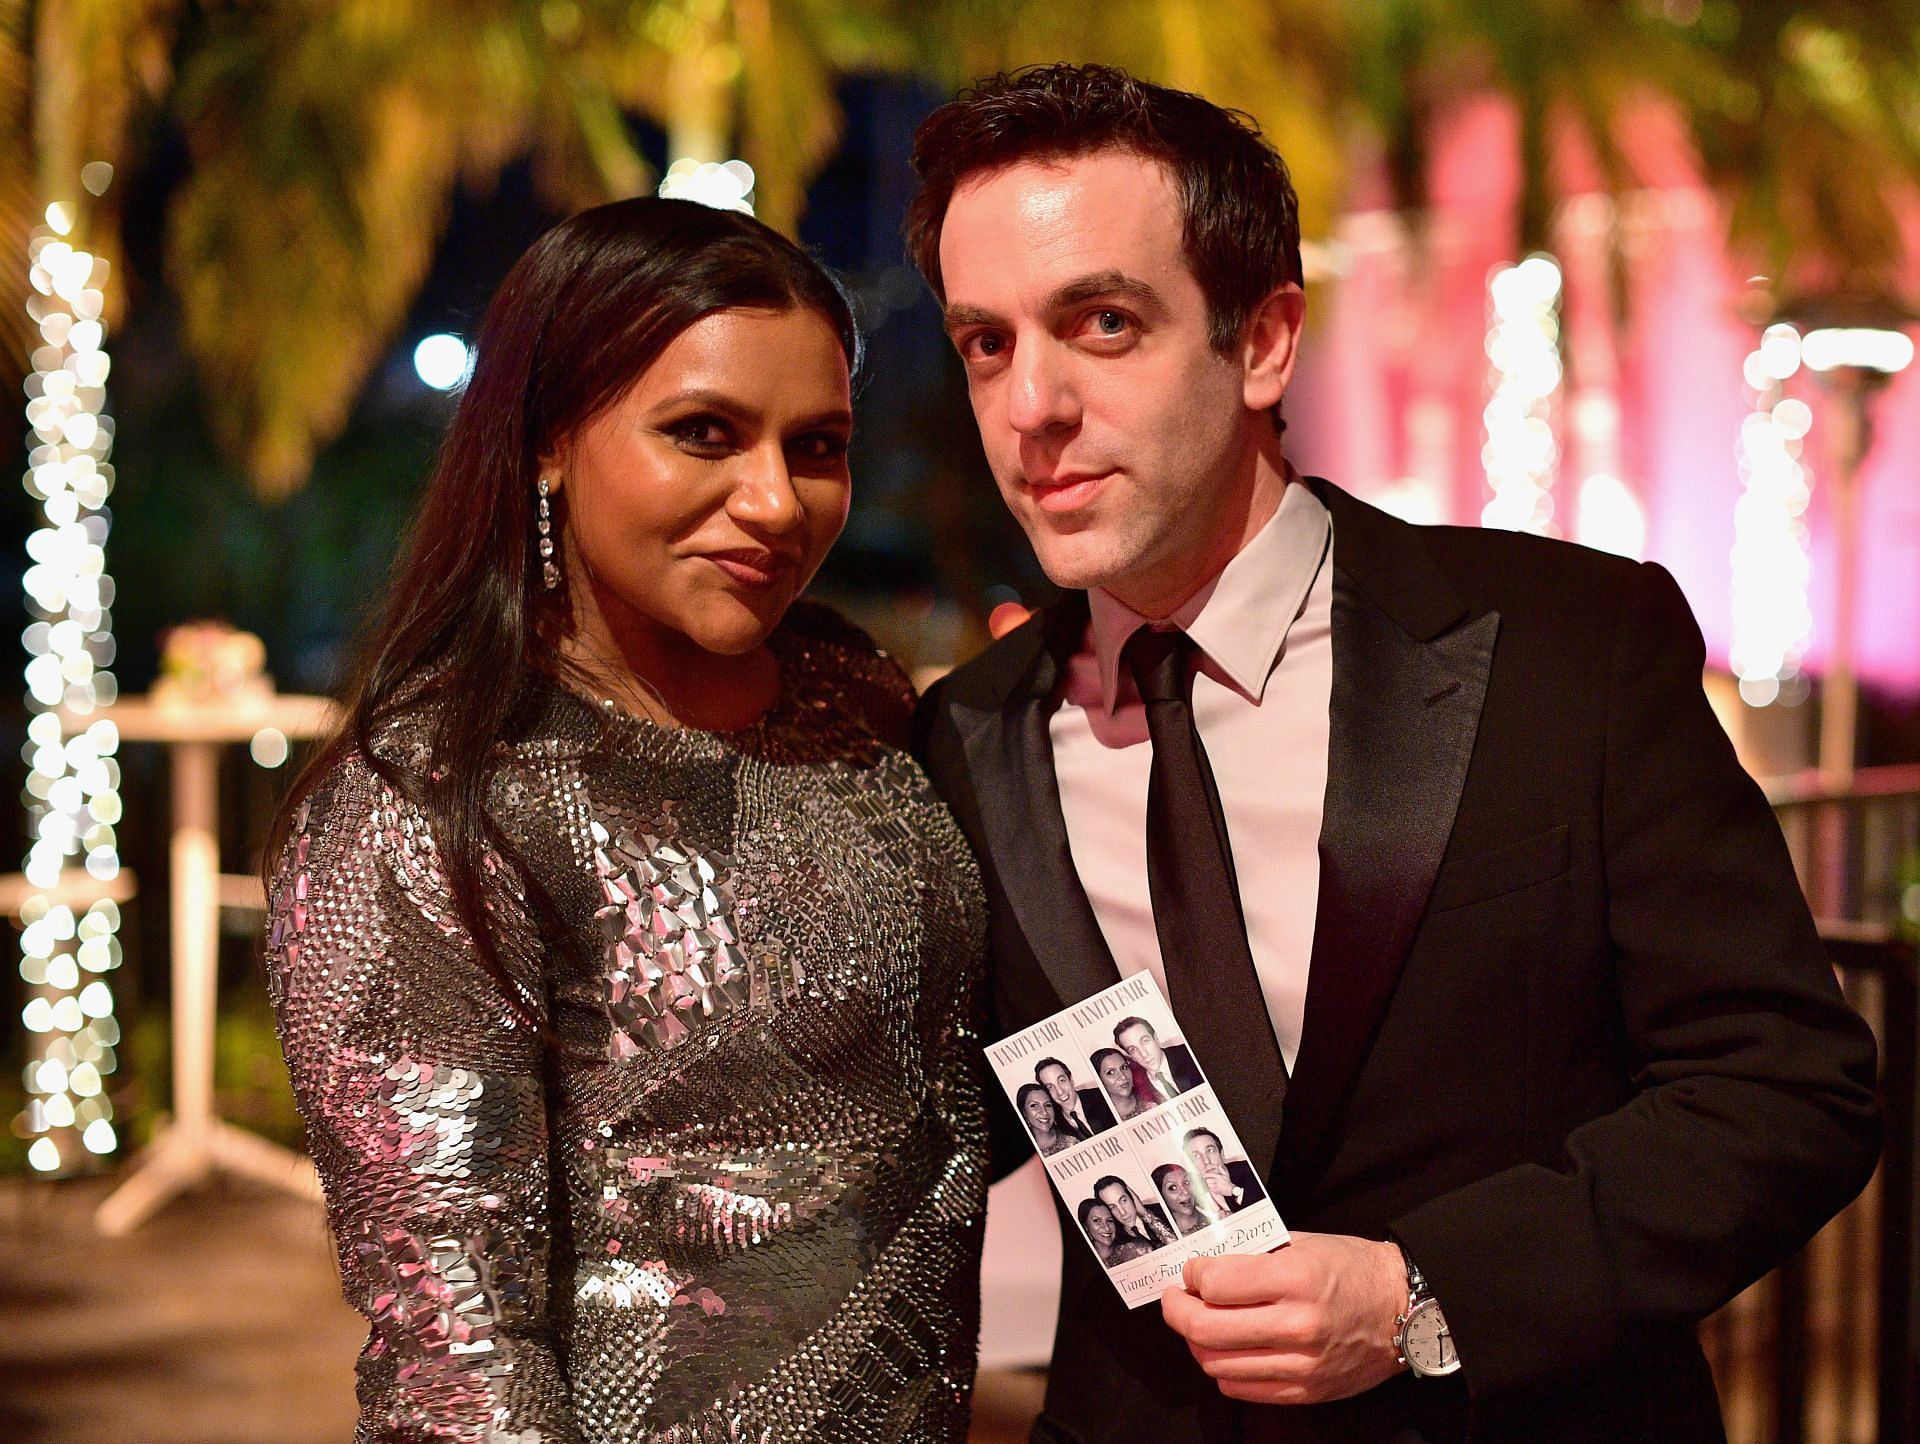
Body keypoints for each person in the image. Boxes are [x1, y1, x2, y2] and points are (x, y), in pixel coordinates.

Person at [907, 63, 1880, 1442]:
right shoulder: (964, 738)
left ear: (1262, 342)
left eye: (1102, 323)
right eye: (985, 345)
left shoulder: (1569, 646)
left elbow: (1788, 1090)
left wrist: (1425, 1296)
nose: (1029, 408)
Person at [264, 197, 990, 1442]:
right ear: (549, 438)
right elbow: (458, 1345)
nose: (773, 501)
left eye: (817, 446)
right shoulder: (434, 797)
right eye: (703, 433)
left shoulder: (850, 698)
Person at [1184, 1126, 1266, 1217]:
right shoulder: (1191, 1194)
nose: (1206, 1161)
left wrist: (1233, 1190)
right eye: (1196, 1156)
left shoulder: (1249, 1169)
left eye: (1210, 1150)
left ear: (1222, 1154)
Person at [1115, 1015, 1201, 1098]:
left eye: (1145, 1041)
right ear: (1131, 1056)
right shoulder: (1136, 1088)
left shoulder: (1189, 1053)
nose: (1144, 1054)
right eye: (1133, 1049)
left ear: (1155, 1038)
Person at [1036, 1054, 1117, 1138]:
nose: (1060, 1092)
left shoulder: (1102, 1096)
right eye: (1050, 1087)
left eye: (1061, 1080)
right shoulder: (1052, 1122)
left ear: (1071, 1080)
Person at [1094, 1175, 1179, 1251]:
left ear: (1132, 1196)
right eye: (1112, 1207)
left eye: (1123, 1200)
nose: (1122, 1212)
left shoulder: (1163, 1210)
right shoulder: (1114, 1239)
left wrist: (1146, 1214)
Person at [1080, 1197, 1154, 1269]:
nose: (1106, 1227)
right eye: (1097, 1221)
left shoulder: (1137, 1248)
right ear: (1086, 1227)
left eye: (1109, 1220)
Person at [1091, 1045, 1159, 1121]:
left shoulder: (1153, 1097)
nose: (1123, 1076)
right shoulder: (1100, 1120)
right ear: (1099, 1079)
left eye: (1124, 1067)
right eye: (1111, 1072)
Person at [1152, 1163, 1217, 1237]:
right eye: (1173, 1188)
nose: (1185, 1192)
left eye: (1187, 1182)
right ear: (1160, 1195)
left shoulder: (1214, 1215)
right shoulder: (1161, 1234)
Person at [1018, 1080, 1078, 1156]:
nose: (1044, 1112)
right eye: (1034, 1105)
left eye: (1048, 1105)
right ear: (1024, 1112)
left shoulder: (1071, 1142)